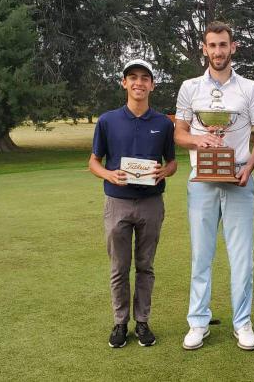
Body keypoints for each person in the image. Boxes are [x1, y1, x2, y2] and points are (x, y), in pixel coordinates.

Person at [174, 21, 254, 351]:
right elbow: (179, 133)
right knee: (201, 255)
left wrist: (251, 167)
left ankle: (242, 322)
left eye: (223, 45)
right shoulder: (190, 88)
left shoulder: (250, 88)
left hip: (239, 179)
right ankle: (198, 322)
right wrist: (200, 140)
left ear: (233, 47)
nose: (218, 51)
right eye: (212, 45)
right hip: (201, 182)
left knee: (242, 258)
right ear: (204, 48)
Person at [88, 59, 177, 348]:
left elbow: (172, 161)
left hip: (151, 203)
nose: (139, 83)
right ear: (124, 83)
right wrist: (109, 175)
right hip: (118, 202)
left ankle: (142, 322)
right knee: (119, 267)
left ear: (152, 84)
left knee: (145, 266)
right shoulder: (107, 120)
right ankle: (119, 323)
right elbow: (94, 162)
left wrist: (166, 171)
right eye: (133, 77)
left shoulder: (163, 123)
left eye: (144, 78)